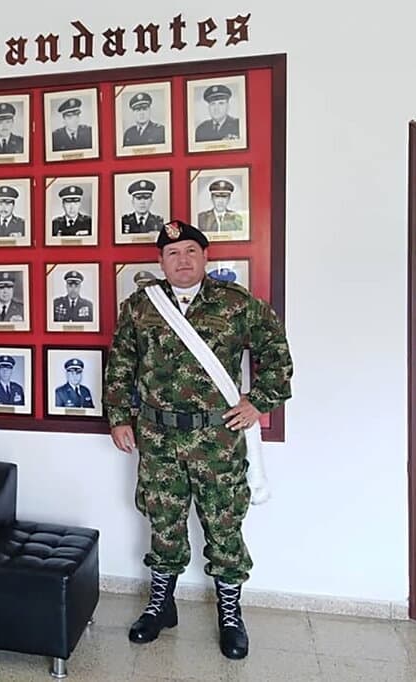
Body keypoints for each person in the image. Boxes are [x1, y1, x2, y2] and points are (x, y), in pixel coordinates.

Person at [103, 219, 293, 659]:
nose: (182, 260)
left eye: (190, 251)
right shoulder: (140, 306)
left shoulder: (236, 304)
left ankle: (230, 613)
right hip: (157, 437)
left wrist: (258, 402)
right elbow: (120, 365)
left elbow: (276, 354)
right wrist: (118, 417)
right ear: (161, 261)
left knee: (224, 525)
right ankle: (161, 604)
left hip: (217, 437)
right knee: (163, 523)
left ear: (206, 257)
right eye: (172, 254)